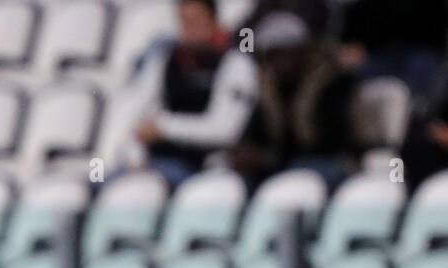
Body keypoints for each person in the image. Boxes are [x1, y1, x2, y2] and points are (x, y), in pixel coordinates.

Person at [127, 0, 259, 187]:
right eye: (184, 21)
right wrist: (133, 152)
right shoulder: (165, 58)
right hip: (159, 161)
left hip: (207, 168)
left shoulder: (236, 64)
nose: (190, 28)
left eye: (196, 20)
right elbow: (134, 111)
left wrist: (164, 127)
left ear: (213, 20)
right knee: (107, 182)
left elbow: (224, 130)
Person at [231, 12, 357, 189]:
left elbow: (333, 141)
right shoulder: (270, 88)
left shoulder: (333, 83)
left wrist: (271, 158)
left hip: (329, 161)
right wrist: (246, 152)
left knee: (296, 176)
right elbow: (255, 134)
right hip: (284, 163)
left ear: (303, 50)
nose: (281, 61)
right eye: (273, 55)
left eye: (287, 52)